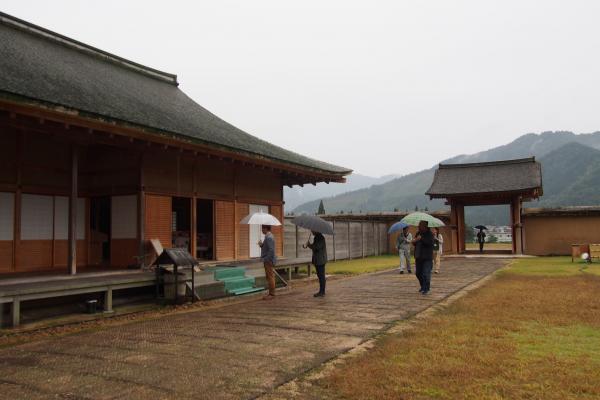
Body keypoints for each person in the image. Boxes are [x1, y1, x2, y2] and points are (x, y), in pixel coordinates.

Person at [412, 220, 434, 295]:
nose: (418, 226)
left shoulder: (430, 234)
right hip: (418, 256)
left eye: (420, 225)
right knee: (418, 273)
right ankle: (423, 286)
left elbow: (429, 243)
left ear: (425, 226)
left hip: (427, 257)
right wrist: (414, 241)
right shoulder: (418, 233)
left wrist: (421, 239)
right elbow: (414, 243)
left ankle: (426, 288)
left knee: (426, 273)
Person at [307, 231, 328, 297]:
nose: (311, 231)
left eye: (312, 230)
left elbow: (317, 247)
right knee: (320, 276)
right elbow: (315, 247)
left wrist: (309, 245)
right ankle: (321, 291)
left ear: (316, 230)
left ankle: (322, 292)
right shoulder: (317, 237)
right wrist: (310, 245)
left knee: (321, 276)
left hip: (320, 260)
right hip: (319, 260)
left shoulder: (319, 237)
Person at [258, 225, 277, 300]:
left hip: (268, 260)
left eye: (262, 228)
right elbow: (267, 248)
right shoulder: (268, 236)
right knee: (269, 276)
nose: (262, 230)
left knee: (270, 277)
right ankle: (271, 292)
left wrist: (266, 259)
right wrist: (262, 245)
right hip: (268, 260)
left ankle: (272, 294)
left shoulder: (269, 237)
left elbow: (271, 250)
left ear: (266, 228)